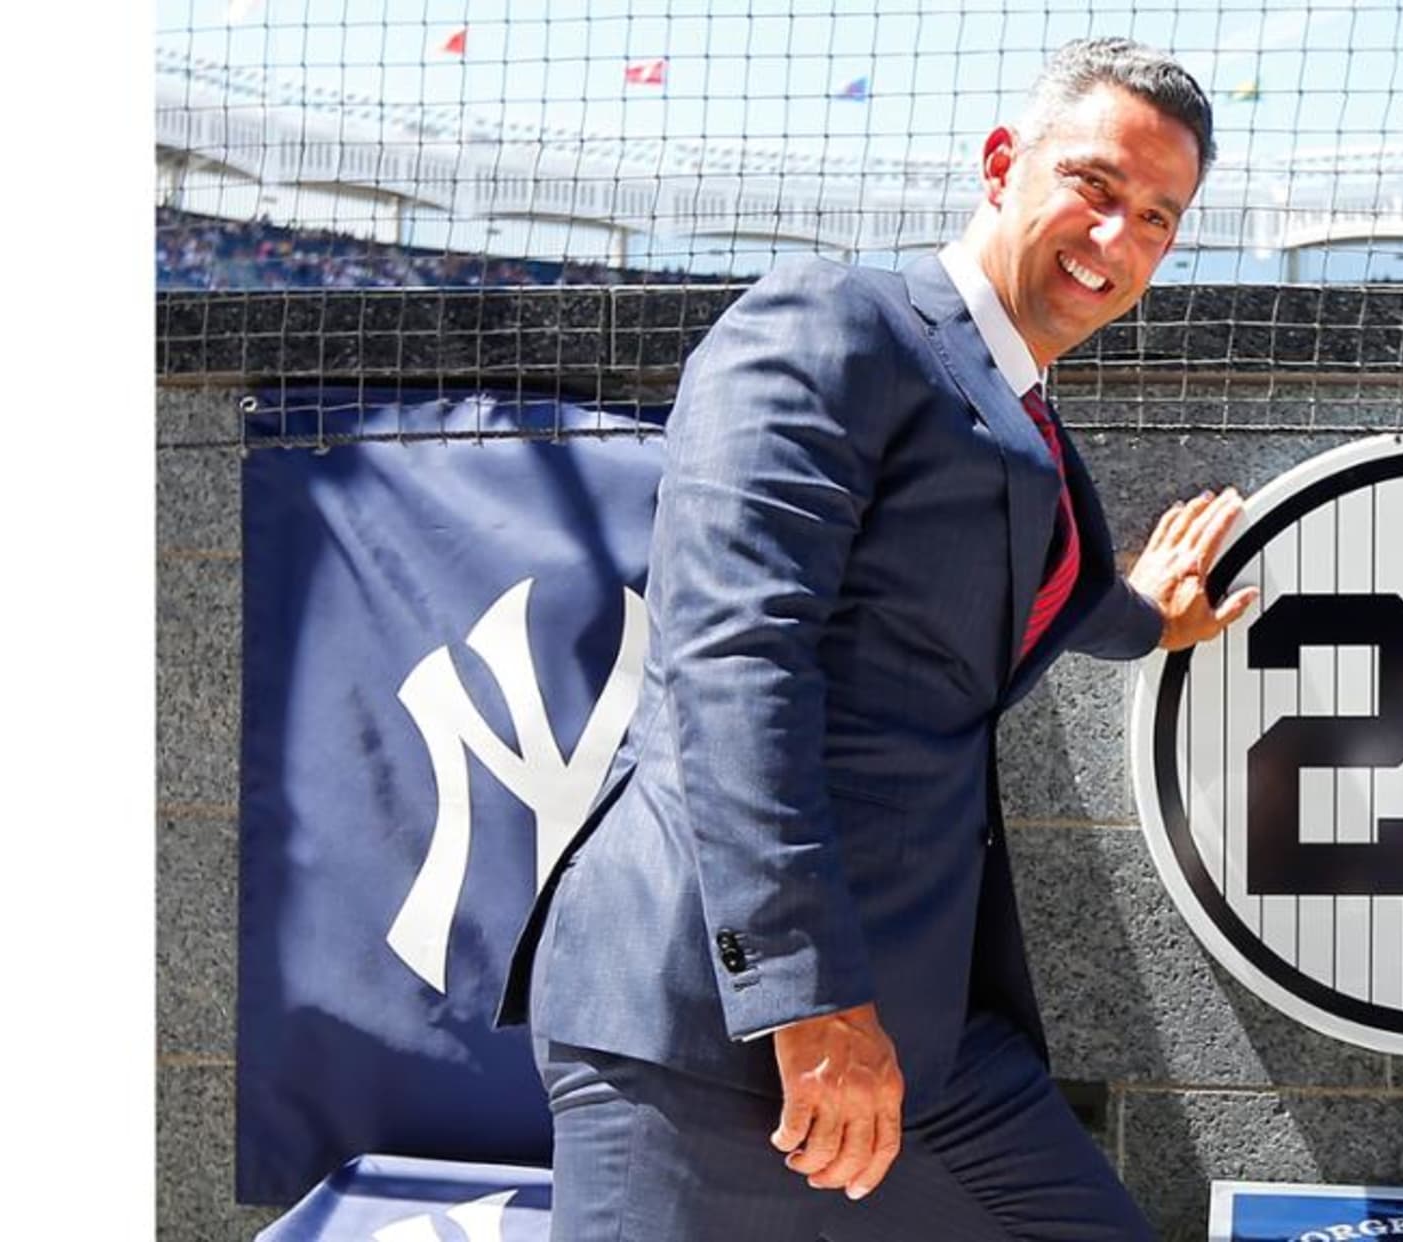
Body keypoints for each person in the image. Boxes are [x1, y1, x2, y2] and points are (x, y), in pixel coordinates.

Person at [496, 37, 1256, 1241]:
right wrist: (807, 999)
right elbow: (734, 657)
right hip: (710, 1027)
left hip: (925, 1038)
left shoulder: (1020, 414)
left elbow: (1010, 597)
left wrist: (1153, 617)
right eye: (1095, 185)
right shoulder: (832, 321)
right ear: (1002, 163)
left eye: (1158, 219)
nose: (1118, 238)